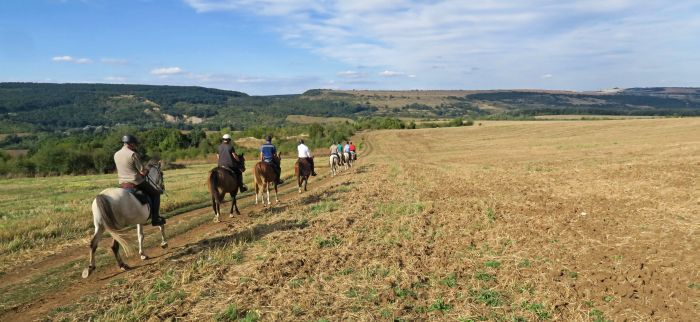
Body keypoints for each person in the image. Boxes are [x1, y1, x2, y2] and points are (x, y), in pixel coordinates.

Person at [114, 134, 165, 226]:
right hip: (135, 182)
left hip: (122, 184)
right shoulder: (133, 154)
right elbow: (142, 172)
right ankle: (155, 218)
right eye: (135, 144)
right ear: (131, 144)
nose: (135, 146)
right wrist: (148, 168)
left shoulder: (116, 154)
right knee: (156, 193)